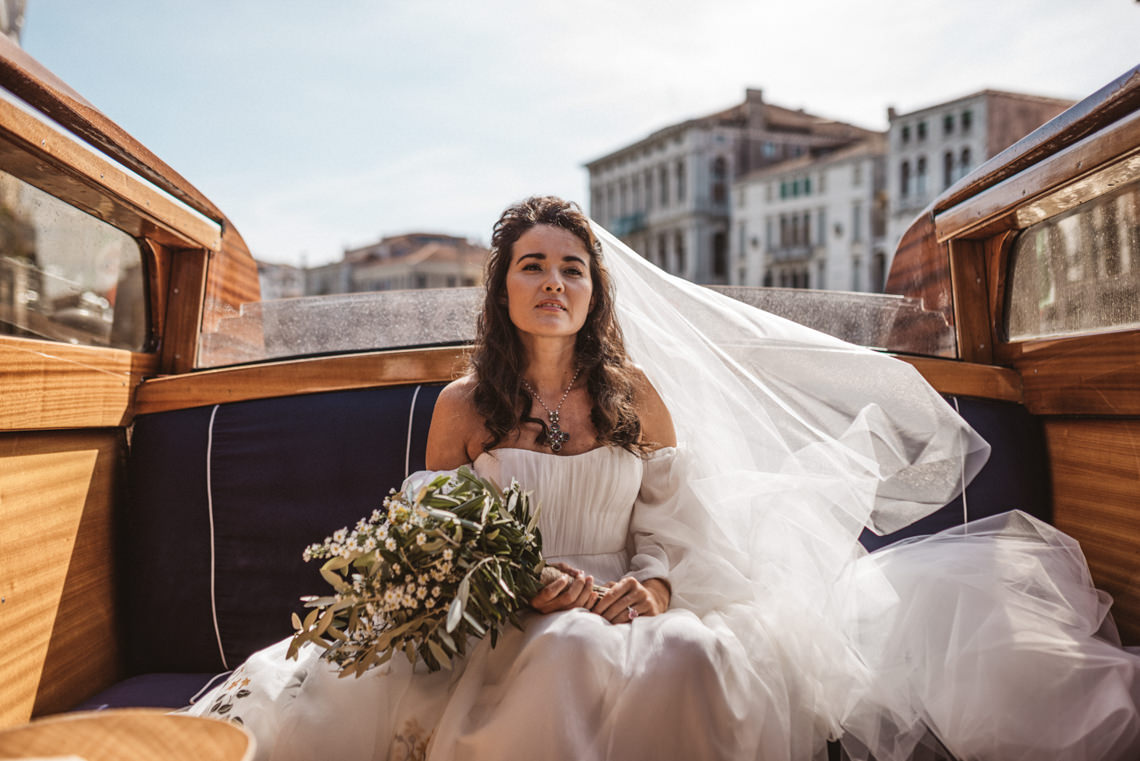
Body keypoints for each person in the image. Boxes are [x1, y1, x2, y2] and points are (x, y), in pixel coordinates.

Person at [186, 196, 1140, 760]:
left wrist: (659, 582)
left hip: (634, 599)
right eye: (532, 267)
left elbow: (680, 522)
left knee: (693, 657)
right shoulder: (464, 407)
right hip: (509, 619)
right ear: (504, 287)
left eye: (572, 268)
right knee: (561, 656)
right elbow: (442, 545)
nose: (554, 283)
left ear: (594, 291)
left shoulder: (634, 393)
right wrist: (517, 582)